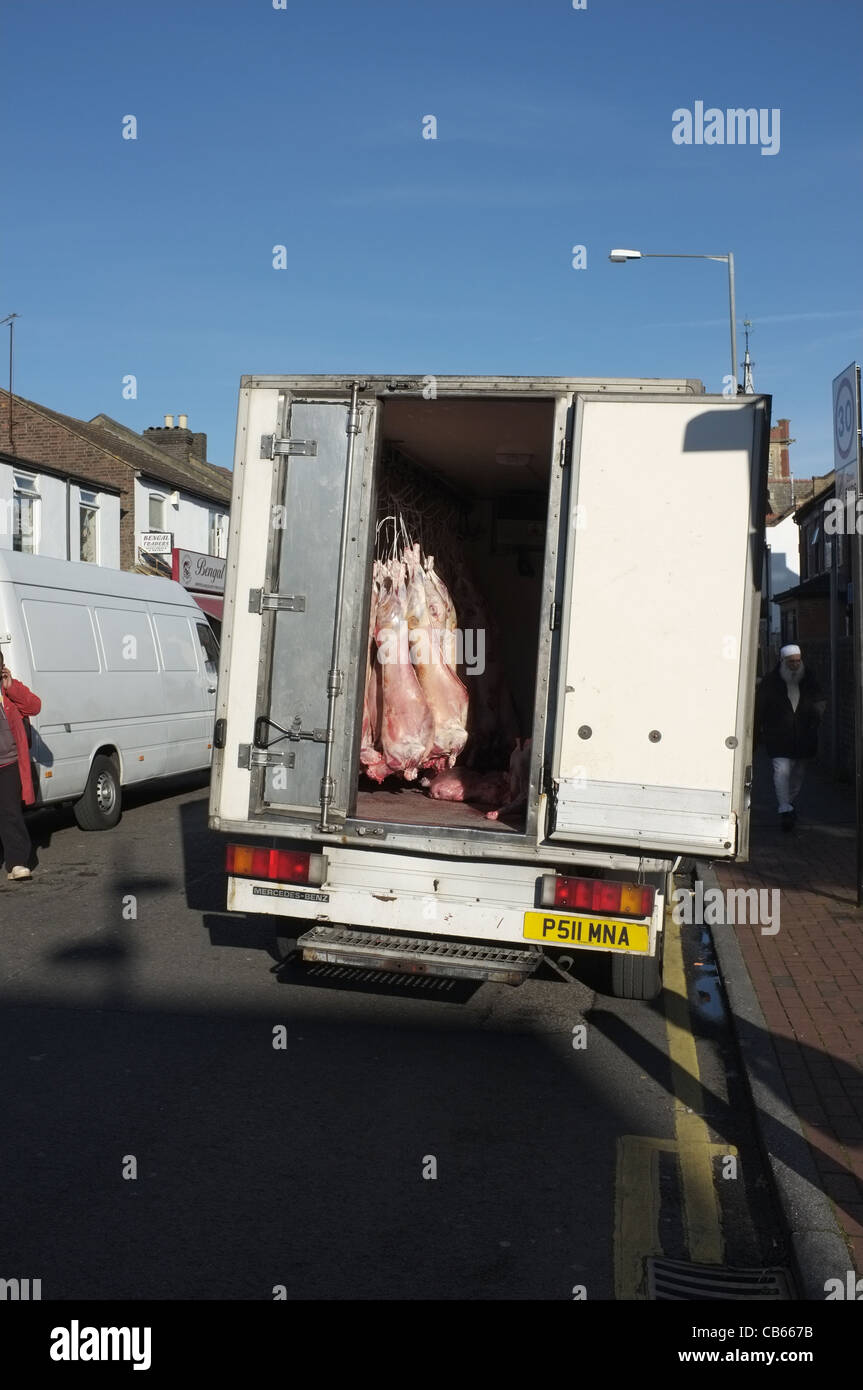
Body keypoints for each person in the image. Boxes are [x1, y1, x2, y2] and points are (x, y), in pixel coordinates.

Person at [754, 643, 826, 831]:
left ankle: (789, 802)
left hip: (804, 736)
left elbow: (819, 700)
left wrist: (815, 719)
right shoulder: (770, 682)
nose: (795, 664)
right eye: (791, 661)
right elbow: (759, 708)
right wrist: (756, 732)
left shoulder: (809, 678)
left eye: (797, 661)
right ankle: (785, 809)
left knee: (799, 773)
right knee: (781, 772)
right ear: (783, 661)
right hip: (778, 736)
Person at [0, 651, 41, 880]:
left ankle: (16, 863)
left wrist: (11, 686)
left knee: (10, 814)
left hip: (8, 763)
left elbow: (34, 707)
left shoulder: (9, 691)